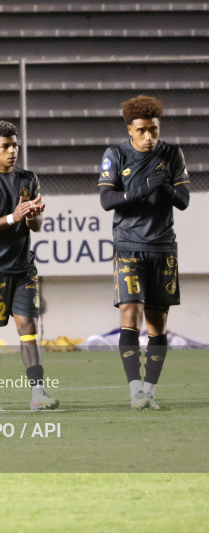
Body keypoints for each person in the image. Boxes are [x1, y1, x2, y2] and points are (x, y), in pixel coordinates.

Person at [98, 95, 190, 409]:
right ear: (130, 130)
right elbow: (107, 201)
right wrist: (145, 187)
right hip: (128, 247)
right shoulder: (115, 154)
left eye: (154, 129)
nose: (149, 136)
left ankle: (149, 391)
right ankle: (135, 390)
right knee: (130, 315)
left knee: (157, 324)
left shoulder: (172, 153)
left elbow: (184, 200)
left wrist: (163, 186)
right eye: (142, 130)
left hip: (163, 247)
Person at [0, 121, 59, 413]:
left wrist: (32, 214)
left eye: (15, 145)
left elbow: (36, 226)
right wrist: (13, 216)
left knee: (28, 327)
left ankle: (38, 394)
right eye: (6, 146)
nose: (12, 150)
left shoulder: (28, 178)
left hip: (22, 268)